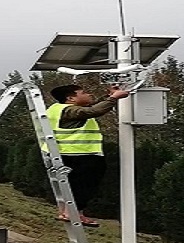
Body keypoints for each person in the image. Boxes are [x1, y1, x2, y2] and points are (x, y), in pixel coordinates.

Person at [46, 83, 130, 227]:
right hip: (77, 153)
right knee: (83, 185)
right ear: (71, 98)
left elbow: (93, 107)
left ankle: (75, 213)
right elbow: (92, 111)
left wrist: (111, 96)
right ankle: (71, 213)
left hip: (72, 153)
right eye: (83, 92)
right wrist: (114, 98)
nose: (88, 94)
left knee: (77, 185)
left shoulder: (59, 109)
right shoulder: (69, 111)